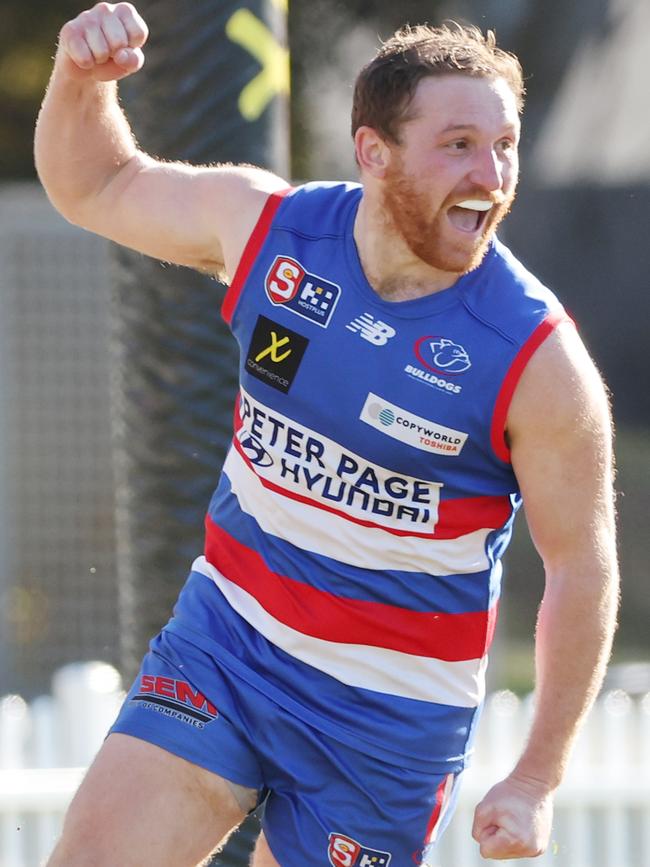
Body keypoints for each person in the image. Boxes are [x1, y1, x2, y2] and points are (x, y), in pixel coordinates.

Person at [34, 3, 619, 865]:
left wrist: (536, 777)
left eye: (504, 145)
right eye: (458, 143)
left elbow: (582, 567)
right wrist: (79, 80)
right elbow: (99, 185)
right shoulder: (270, 228)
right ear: (374, 153)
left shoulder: (536, 357)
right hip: (227, 647)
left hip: (387, 723)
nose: (491, 172)